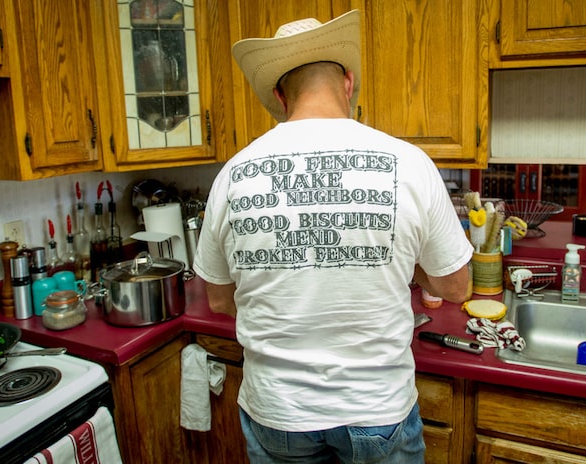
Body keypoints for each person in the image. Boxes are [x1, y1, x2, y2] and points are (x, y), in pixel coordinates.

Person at [192, 9, 472, 463]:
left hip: (277, 411)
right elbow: (455, 287)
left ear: (281, 96)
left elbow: (221, 301)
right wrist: (390, 253)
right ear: (348, 83)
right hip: (377, 407)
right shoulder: (409, 162)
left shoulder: (233, 175)